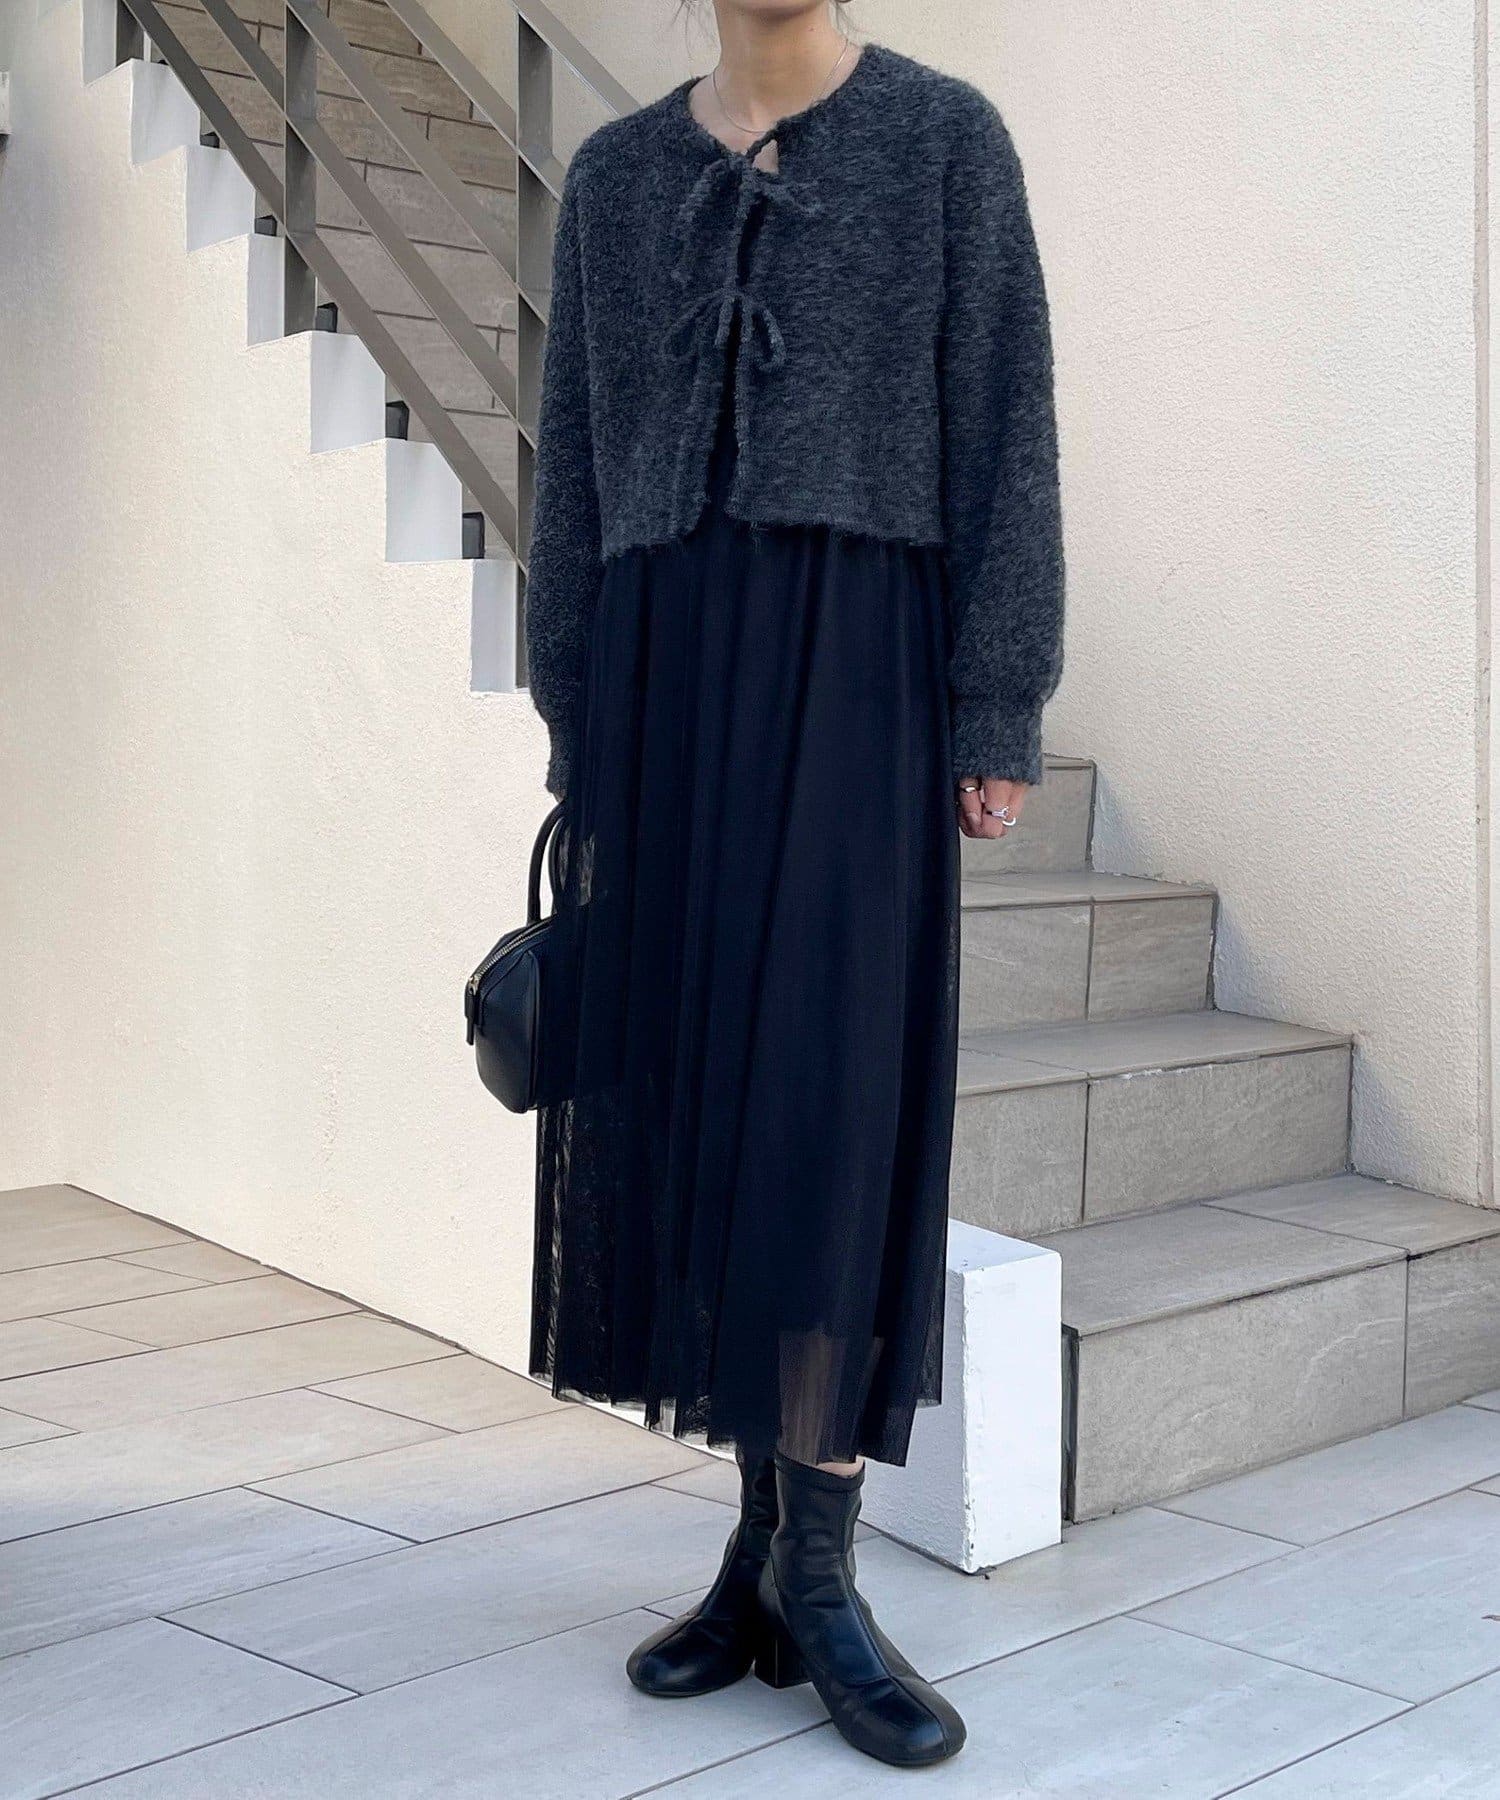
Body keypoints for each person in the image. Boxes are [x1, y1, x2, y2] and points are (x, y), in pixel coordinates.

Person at [524, 0, 1064, 1768]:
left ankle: (819, 1574)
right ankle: (757, 1553)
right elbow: (575, 452)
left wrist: (997, 698)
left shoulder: (945, 140)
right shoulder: (615, 178)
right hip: (668, 680)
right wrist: (577, 707)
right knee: (701, 1106)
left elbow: (1006, 425)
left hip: (858, 676)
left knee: (830, 1108)